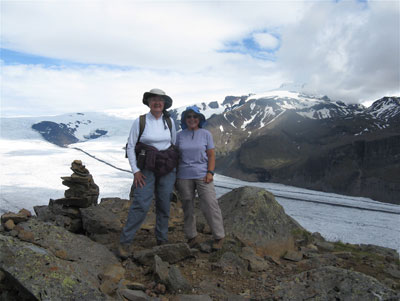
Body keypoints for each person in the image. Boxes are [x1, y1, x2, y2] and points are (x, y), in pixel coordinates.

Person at [118, 88, 178, 259]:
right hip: (146, 169)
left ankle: (162, 238)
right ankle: (125, 241)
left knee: (164, 203)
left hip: (166, 168)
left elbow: (172, 144)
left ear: (164, 103)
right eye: (153, 99)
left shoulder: (170, 121)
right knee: (141, 204)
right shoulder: (140, 121)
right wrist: (135, 171)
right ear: (149, 103)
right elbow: (130, 146)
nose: (157, 102)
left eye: (160, 100)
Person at [176, 106, 225, 250]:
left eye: (195, 117)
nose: (192, 119)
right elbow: (175, 155)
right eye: (189, 117)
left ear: (199, 119)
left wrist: (210, 172)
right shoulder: (179, 135)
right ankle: (191, 237)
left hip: (203, 175)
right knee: (187, 206)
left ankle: (219, 236)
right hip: (183, 175)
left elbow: (211, 155)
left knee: (210, 204)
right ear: (185, 119)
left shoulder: (206, 134)